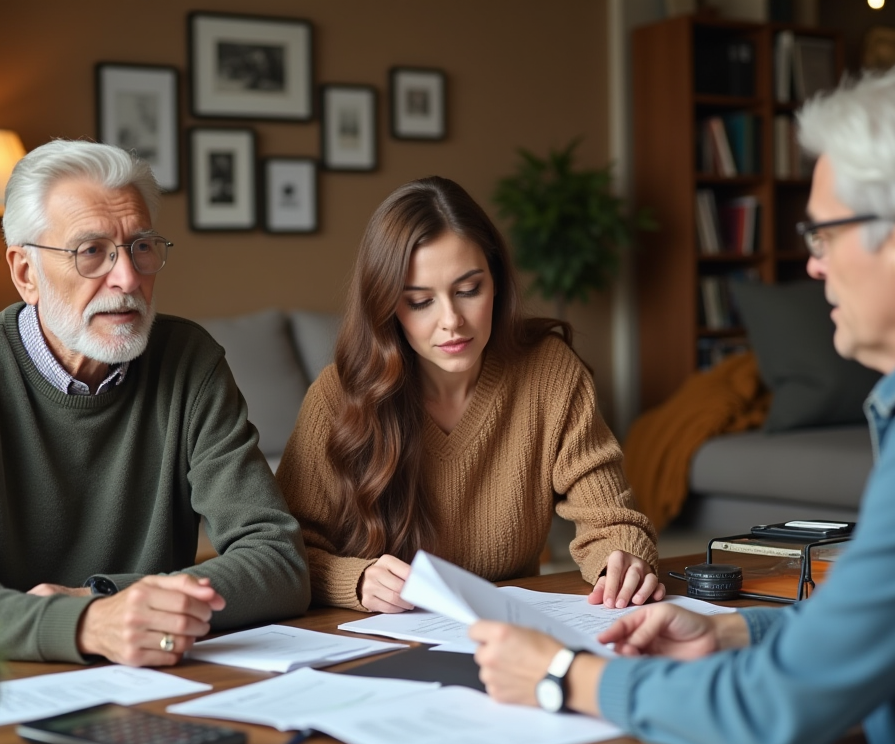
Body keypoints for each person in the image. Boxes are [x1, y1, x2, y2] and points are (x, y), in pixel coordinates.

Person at [470, 54, 895, 744]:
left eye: (823, 236)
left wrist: (559, 676)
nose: (813, 269)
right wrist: (736, 630)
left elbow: (778, 713)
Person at [0, 140, 310, 666]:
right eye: (91, 251)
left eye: (141, 246)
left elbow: (280, 561)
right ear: (25, 273)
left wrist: (108, 599)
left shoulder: (189, 359)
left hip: (158, 676)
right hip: (0, 682)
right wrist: (82, 626)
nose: (127, 278)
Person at [275, 177, 661, 613]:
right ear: (387, 307)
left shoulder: (549, 373)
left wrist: (621, 561)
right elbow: (282, 552)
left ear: (495, 281)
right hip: (379, 640)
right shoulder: (336, 395)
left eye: (467, 290)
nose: (452, 321)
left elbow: (610, 521)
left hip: (508, 636)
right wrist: (357, 580)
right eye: (421, 301)